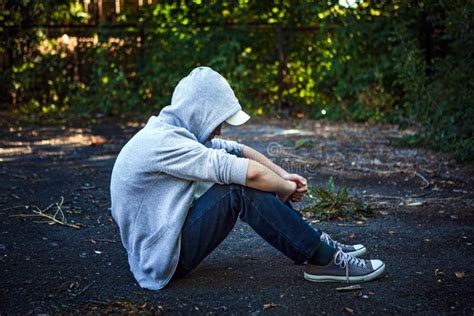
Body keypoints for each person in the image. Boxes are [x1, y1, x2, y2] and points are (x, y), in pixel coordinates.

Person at [110, 66, 385, 291]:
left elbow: (238, 150)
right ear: (201, 112)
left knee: (242, 180)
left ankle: (316, 243)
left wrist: (282, 174)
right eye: (219, 121)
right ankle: (323, 259)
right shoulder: (164, 142)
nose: (219, 130)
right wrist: (286, 188)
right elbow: (249, 174)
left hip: (162, 244)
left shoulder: (175, 131)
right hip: (159, 259)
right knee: (237, 189)